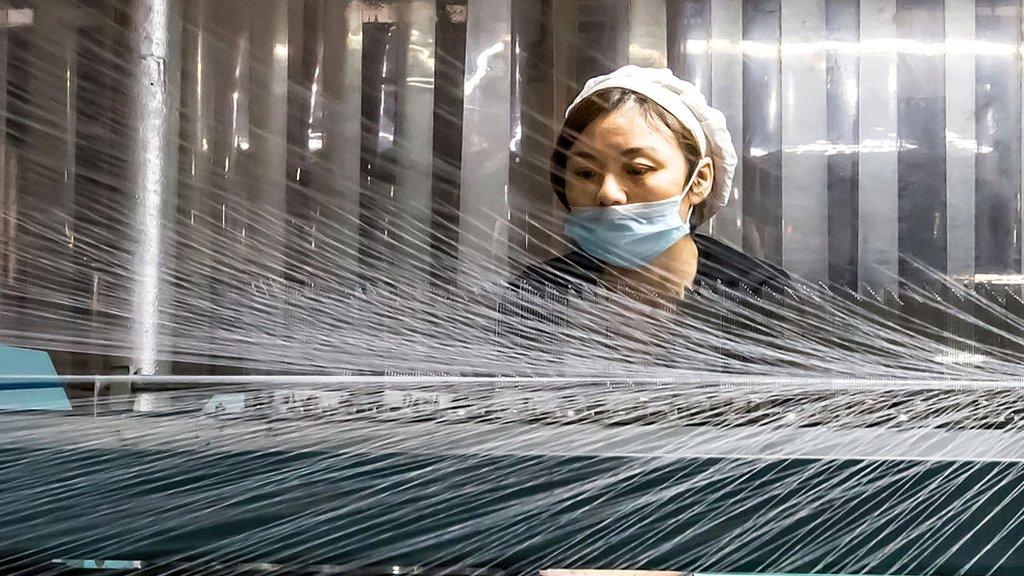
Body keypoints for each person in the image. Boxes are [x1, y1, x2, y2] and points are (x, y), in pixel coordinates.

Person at [498, 66, 790, 369]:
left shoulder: (757, 294)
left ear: (700, 179)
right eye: (585, 172)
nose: (607, 194)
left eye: (637, 169)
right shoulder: (538, 295)